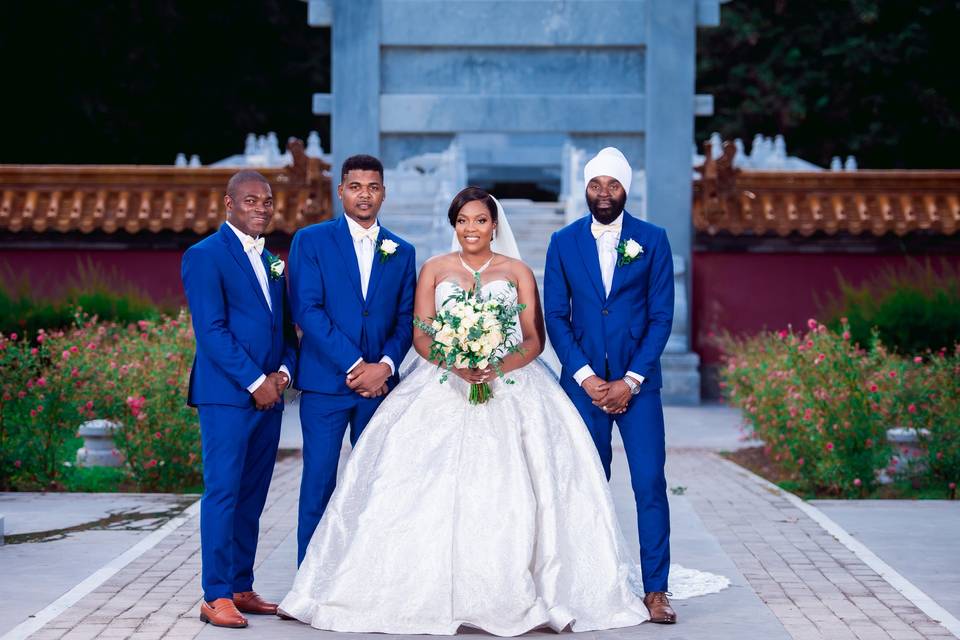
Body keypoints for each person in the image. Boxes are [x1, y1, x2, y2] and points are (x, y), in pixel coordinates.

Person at [278, 187, 651, 634]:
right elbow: (420, 334)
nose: (471, 229)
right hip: (443, 381)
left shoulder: (517, 272)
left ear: (495, 224)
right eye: (462, 221)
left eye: (479, 220)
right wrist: (456, 362)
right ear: (453, 225)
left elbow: (534, 340)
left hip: (511, 385)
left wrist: (495, 364)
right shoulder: (434, 268)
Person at [543, 147, 677, 623]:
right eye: (596, 185)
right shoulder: (563, 241)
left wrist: (631, 380)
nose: (604, 194)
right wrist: (587, 378)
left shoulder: (653, 240)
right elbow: (556, 316)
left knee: (649, 484)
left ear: (626, 189)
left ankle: (657, 590)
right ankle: (587, 584)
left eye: (613, 186)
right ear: (586, 188)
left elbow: (662, 316)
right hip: (583, 389)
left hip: (638, 389)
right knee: (583, 485)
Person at [287, 154, 416, 566]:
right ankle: (309, 576)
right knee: (319, 482)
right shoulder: (311, 241)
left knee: (374, 483)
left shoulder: (403, 251)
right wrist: (357, 366)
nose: (365, 195)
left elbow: (406, 320)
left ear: (384, 193)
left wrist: (386, 367)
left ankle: (365, 574)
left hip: (380, 389)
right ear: (341, 190)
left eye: (373, 187)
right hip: (327, 384)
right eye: (356, 187)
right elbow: (307, 309)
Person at [181, 170, 297, 628]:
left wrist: (284, 373)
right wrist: (255, 381)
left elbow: (285, 330)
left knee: (253, 495)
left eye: (266, 201)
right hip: (227, 397)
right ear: (228, 203)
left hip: (269, 396)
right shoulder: (204, 255)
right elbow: (210, 331)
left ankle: (241, 585)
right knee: (224, 493)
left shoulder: (272, 261)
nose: (261, 208)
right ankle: (214, 595)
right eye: (250, 201)